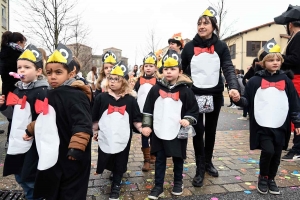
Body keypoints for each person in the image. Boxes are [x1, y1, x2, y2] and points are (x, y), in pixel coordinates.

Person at [181, 6, 240, 187]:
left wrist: (234, 87)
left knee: (212, 130)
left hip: (214, 95)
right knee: (199, 131)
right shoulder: (189, 47)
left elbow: (228, 68)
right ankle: (199, 166)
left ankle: (208, 162)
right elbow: (182, 70)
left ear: (213, 26)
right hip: (195, 95)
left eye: (206, 23)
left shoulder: (221, 46)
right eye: (199, 23)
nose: (201, 26)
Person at [233, 39, 300, 195]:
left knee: (277, 153)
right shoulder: (255, 81)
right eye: (271, 60)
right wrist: (237, 99)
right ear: (263, 62)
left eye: (278, 59)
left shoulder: (286, 80)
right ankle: (263, 177)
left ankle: (271, 179)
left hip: (281, 124)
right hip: (262, 125)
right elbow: (246, 101)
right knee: (268, 151)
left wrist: (297, 122)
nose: (275, 62)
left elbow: (294, 103)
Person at [31, 43, 93, 199]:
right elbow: (46, 117)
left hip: (73, 152)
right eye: (49, 72)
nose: (52, 76)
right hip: (56, 151)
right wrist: (30, 129)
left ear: (71, 73)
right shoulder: (51, 93)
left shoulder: (76, 95)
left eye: (58, 72)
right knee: (55, 188)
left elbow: (82, 123)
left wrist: (77, 147)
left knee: (71, 191)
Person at [142, 50, 198, 199]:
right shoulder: (156, 89)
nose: (168, 72)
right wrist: (146, 125)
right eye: (166, 69)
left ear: (180, 71)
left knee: (177, 158)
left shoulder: (186, 91)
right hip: (159, 130)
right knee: (160, 159)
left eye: (172, 69)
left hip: (177, 131)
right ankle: (158, 185)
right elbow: (148, 108)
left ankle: (178, 182)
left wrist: (188, 119)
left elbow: (193, 109)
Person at [0, 45, 48, 199]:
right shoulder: (17, 90)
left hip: (33, 143)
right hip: (16, 140)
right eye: (19, 67)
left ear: (39, 71)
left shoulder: (42, 91)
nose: (21, 70)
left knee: (30, 177)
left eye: (27, 67)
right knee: (18, 174)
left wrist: (33, 130)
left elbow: (45, 119)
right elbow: (12, 115)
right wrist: (3, 106)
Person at [92, 62, 142, 200]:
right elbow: (95, 117)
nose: (112, 82)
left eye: (116, 79)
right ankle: (113, 172)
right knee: (108, 155)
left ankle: (116, 184)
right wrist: (94, 131)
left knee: (120, 159)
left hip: (123, 135)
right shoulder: (101, 98)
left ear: (124, 82)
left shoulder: (130, 100)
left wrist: (142, 128)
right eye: (111, 79)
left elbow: (136, 117)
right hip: (106, 134)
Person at [274, 6, 300, 161]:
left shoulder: (298, 37)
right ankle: (296, 146)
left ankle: (297, 148)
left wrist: (280, 60)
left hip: (297, 79)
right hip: (295, 79)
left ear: (290, 25)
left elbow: (296, 59)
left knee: (296, 113)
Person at [0, 31, 26, 145]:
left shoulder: (3, 52)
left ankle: (9, 141)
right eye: (23, 43)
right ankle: (14, 141)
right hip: (17, 90)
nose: (24, 46)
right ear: (19, 42)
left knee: (12, 117)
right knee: (18, 117)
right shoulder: (18, 55)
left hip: (7, 89)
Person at [134, 52, 158, 172]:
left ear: (155, 67)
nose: (148, 68)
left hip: (154, 112)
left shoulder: (158, 81)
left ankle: (153, 154)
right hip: (141, 111)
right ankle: (146, 159)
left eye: (151, 66)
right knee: (145, 134)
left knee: (153, 134)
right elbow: (134, 94)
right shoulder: (139, 80)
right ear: (143, 67)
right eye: (146, 66)